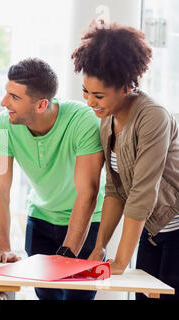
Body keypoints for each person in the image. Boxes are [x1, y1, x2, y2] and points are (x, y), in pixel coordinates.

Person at [71, 21, 179, 300]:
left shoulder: (153, 116)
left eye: (98, 95)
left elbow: (143, 192)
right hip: (153, 232)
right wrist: (99, 248)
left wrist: (120, 262)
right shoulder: (107, 121)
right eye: (85, 92)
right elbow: (116, 190)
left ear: (126, 87)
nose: (89, 102)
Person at [0, 58, 105, 300]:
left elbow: (88, 193)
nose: (3, 102)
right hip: (40, 219)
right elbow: (0, 191)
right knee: (46, 296)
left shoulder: (83, 121)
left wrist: (68, 252)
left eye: (14, 97)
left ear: (41, 104)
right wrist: (3, 249)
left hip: (88, 222)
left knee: (78, 297)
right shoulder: (3, 124)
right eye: (6, 93)